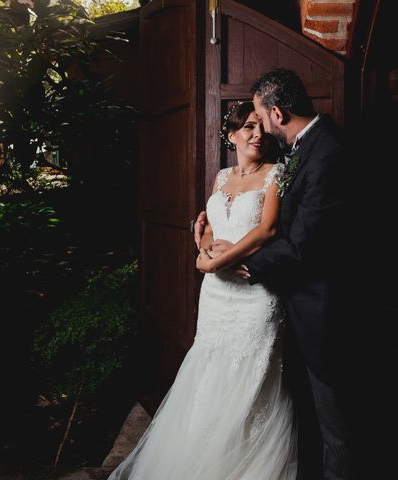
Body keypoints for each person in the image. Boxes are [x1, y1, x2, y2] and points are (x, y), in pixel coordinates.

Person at [108, 101, 297, 480]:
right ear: (231, 136)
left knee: (251, 380)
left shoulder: (276, 174)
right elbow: (210, 224)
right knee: (210, 374)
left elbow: (269, 231)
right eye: (247, 127)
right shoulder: (221, 176)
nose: (257, 134)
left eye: (261, 127)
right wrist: (205, 248)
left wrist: (215, 262)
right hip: (215, 296)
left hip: (254, 294)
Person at [194, 68, 350, 480]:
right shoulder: (304, 148)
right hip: (284, 304)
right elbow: (268, 214)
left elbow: (297, 240)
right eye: (247, 126)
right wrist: (210, 220)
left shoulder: (326, 152)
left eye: (260, 118)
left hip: (319, 308)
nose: (258, 129)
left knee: (337, 430)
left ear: (276, 113)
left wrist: (234, 263)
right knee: (303, 416)